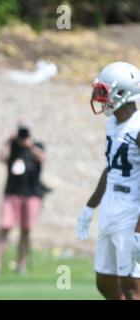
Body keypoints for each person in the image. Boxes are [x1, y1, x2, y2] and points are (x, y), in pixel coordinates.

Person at [76, 61, 140, 300]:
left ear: (122, 92)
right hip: (111, 207)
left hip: (131, 212)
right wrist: (90, 206)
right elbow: (111, 168)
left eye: (104, 91)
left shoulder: (138, 126)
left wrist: (139, 229)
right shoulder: (113, 123)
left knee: (132, 287)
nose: (100, 97)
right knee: (104, 283)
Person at [0, 120, 47, 278]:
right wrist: (8, 140)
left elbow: (43, 158)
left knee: (26, 230)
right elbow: (1, 157)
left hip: (32, 194)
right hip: (12, 193)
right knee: (5, 227)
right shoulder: (12, 146)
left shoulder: (37, 145)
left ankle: (21, 265)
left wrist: (29, 145)